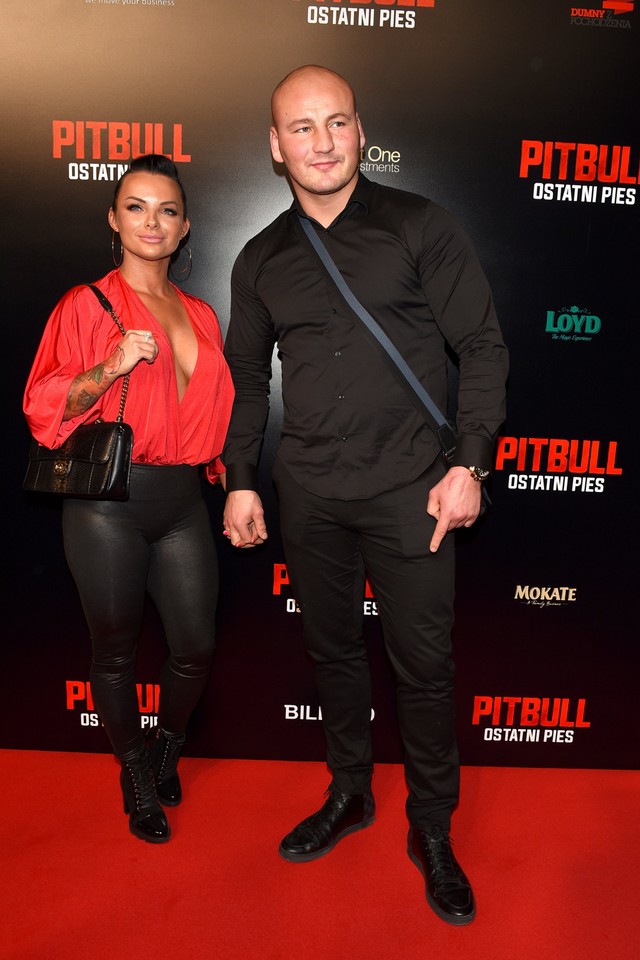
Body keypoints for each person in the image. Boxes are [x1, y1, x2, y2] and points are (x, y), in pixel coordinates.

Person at [222, 66, 508, 924]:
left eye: (336, 122)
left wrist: (471, 465)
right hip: (310, 492)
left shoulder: (421, 225)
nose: (322, 142)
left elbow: (482, 346)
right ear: (276, 147)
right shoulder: (260, 257)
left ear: (360, 130)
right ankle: (350, 792)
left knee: (424, 667)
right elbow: (246, 381)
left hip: (412, 491)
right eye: (301, 128)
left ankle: (432, 827)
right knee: (334, 654)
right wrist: (241, 480)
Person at [24, 154, 234, 844]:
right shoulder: (84, 305)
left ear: (184, 227)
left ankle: (166, 750)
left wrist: (234, 484)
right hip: (107, 505)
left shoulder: (201, 314)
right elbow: (44, 406)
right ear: (113, 219)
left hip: (181, 502)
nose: (152, 222)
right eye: (136, 207)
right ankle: (136, 773)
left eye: (167, 210)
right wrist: (110, 364)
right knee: (114, 653)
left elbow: (216, 415)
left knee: (195, 647)